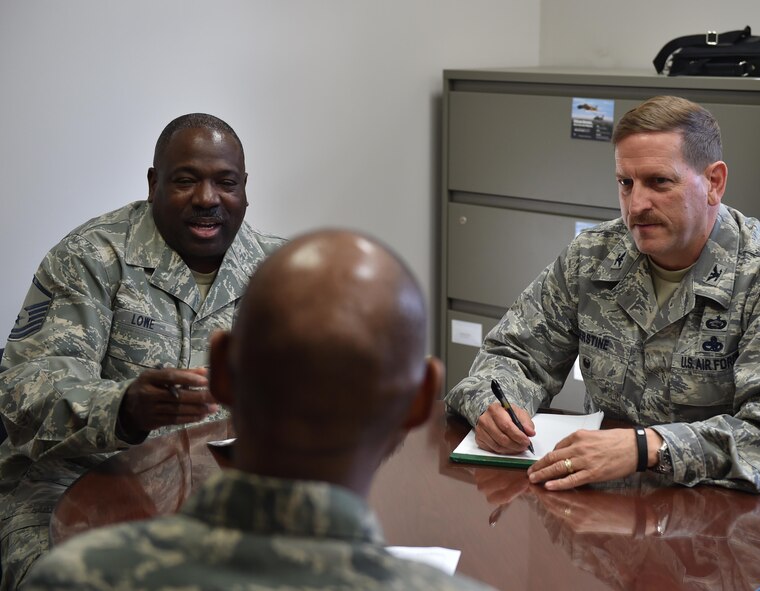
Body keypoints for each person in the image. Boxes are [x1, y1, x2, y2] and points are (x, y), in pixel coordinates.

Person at [444, 95, 760, 573]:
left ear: (714, 182)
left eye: (658, 182)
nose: (637, 204)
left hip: (733, 538)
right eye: (625, 183)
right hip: (610, 526)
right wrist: (496, 406)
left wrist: (649, 447)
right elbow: (511, 354)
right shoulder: (593, 257)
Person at [24, 229, 493, 591]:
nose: (207, 198)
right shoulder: (92, 256)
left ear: (222, 372)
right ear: (418, 401)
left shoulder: (77, 577)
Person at [0, 113, 286, 589]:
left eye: (225, 182)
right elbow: (23, 396)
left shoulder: (282, 273)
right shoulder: (90, 259)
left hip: (227, 496)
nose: (207, 198)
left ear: (244, 188)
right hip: (74, 486)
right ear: (154, 184)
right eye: (186, 180)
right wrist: (125, 409)